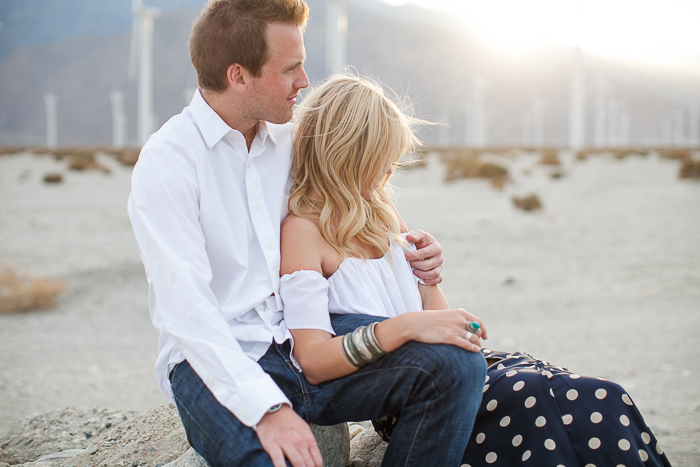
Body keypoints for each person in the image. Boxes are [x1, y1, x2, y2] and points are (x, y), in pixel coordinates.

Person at [127, 1, 483, 466]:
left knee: (453, 365)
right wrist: (267, 408)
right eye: (291, 68)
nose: (304, 82)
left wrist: (419, 260)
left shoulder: (296, 141)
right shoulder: (168, 163)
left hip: (305, 337)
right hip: (217, 357)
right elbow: (187, 312)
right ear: (238, 75)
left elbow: (358, 200)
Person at [279, 74, 673, 467]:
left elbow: (435, 313)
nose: (389, 171)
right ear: (346, 154)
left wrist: (430, 281)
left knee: (599, 397)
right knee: (541, 401)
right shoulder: (303, 232)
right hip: (416, 389)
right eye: (381, 160)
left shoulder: (384, 216)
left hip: (468, 368)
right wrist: (408, 327)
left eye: (393, 160)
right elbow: (312, 360)